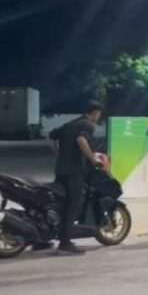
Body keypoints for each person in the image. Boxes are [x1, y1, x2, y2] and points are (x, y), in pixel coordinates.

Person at [48, 101, 104, 255]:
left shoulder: (71, 124)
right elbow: (81, 140)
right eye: (99, 115)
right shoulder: (87, 125)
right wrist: (93, 160)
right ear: (95, 113)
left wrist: (58, 154)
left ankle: (46, 237)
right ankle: (65, 243)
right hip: (75, 172)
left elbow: (52, 136)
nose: (98, 118)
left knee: (59, 205)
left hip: (61, 170)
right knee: (73, 206)